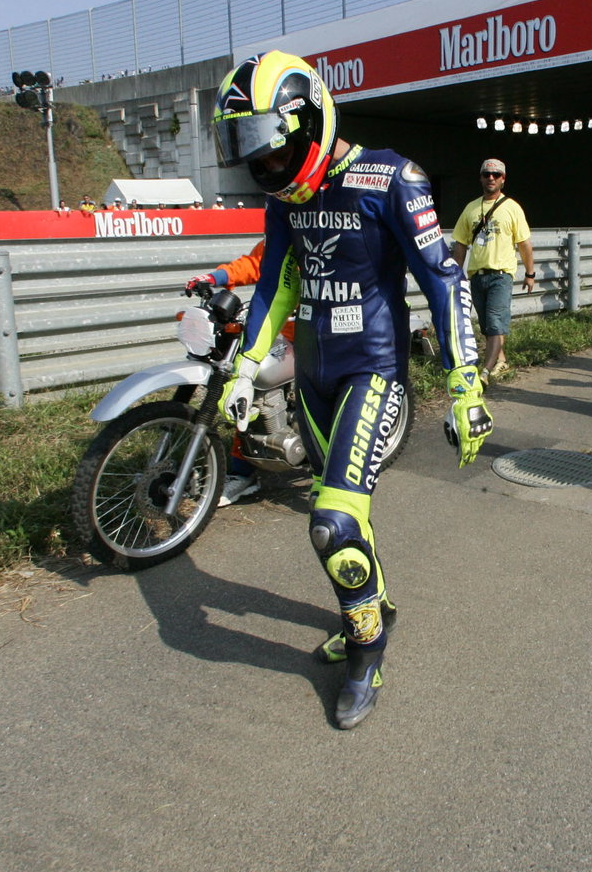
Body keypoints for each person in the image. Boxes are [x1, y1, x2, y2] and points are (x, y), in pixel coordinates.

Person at [211, 50, 490, 730]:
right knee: (349, 521)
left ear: (307, 120)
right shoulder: (285, 199)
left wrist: (466, 384)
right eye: (252, 154)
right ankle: (374, 605)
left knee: (330, 522)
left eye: (273, 150)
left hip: (373, 373)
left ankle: (366, 650)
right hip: (312, 378)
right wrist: (245, 368)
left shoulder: (395, 177)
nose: (266, 168)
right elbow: (276, 282)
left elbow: (443, 278)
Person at [185, 239, 278, 506]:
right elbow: (252, 264)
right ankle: (243, 472)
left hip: (313, 326)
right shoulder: (282, 235)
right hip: (271, 326)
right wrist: (213, 277)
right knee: (240, 384)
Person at [452, 159, 537, 383]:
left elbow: (525, 244)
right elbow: (460, 243)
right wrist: (454, 275)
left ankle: (486, 372)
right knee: (487, 325)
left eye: (496, 174)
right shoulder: (471, 208)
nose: (491, 178)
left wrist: (530, 274)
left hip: (501, 275)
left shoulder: (512, 207)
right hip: (477, 276)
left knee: (495, 321)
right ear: (480, 177)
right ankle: (501, 361)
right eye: (487, 174)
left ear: (503, 179)